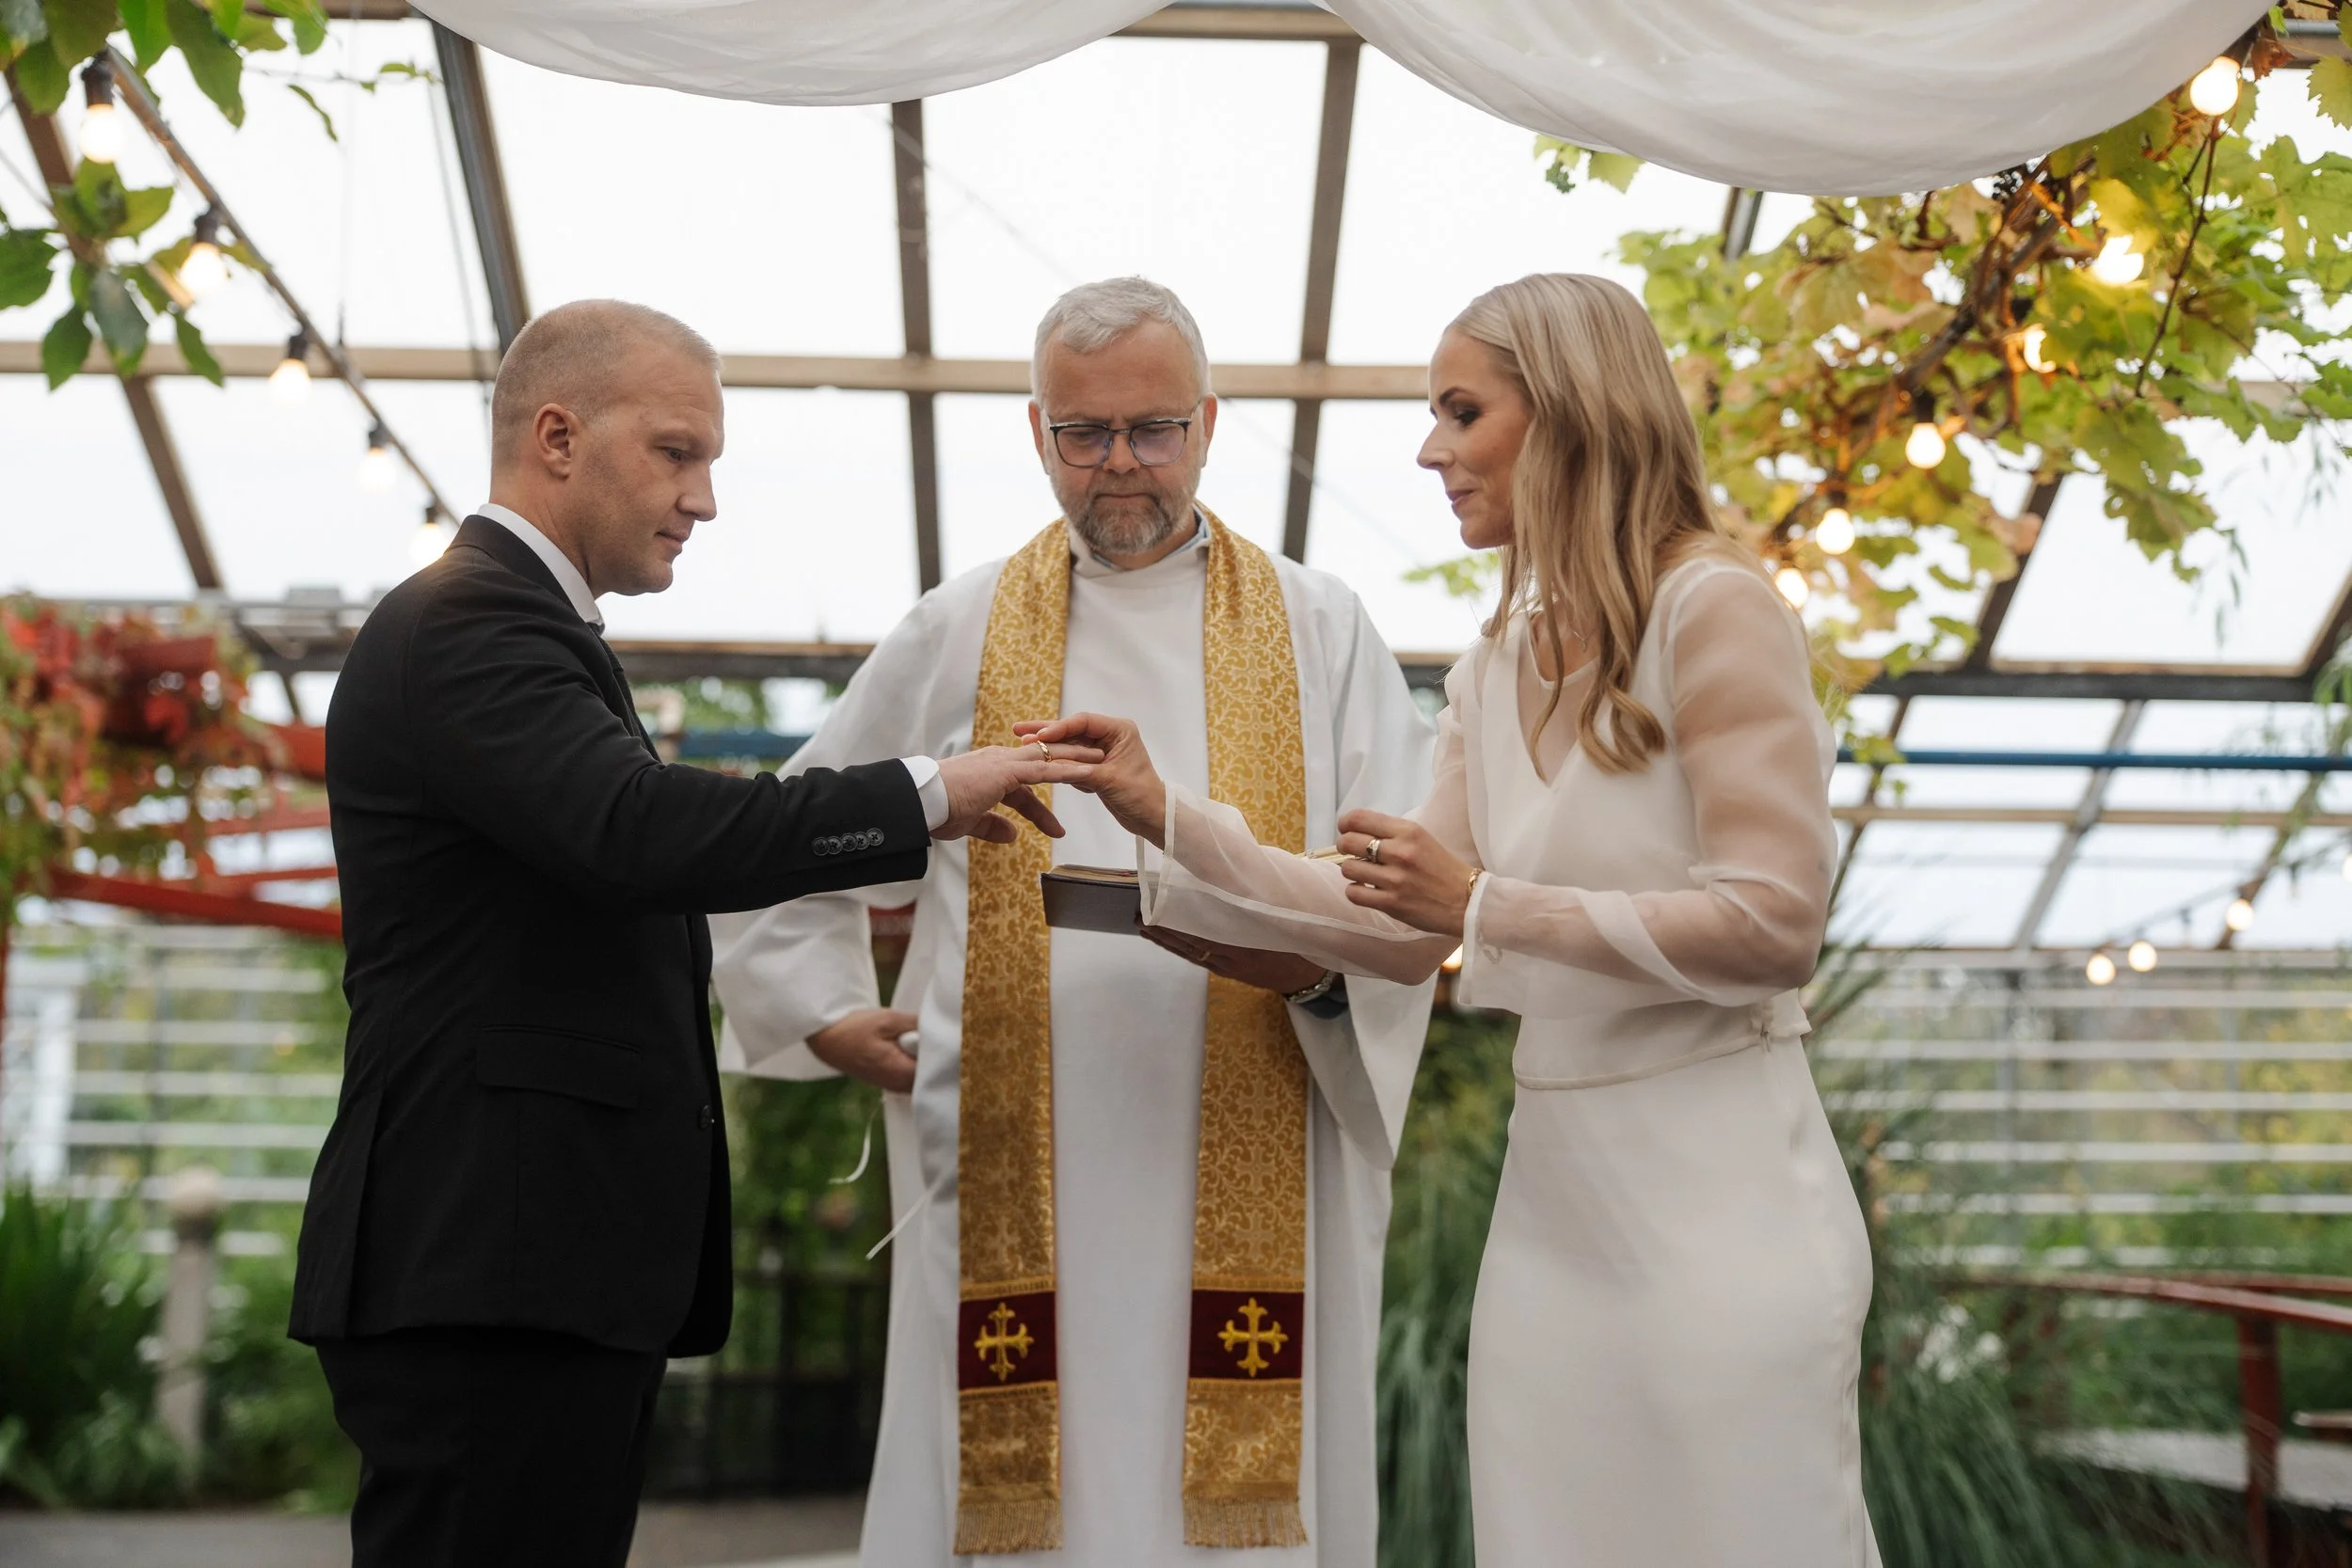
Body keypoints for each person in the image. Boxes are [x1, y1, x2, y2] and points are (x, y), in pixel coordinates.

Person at [1031, 273, 1881, 1567]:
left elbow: (1772, 924)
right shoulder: (1493, 664)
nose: (1430, 447)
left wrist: (1481, 904)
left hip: (1721, 1194)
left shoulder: (1717, 608)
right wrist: (1168, 819)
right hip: (1553, 1211)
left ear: (1573, 414)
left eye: (1462, 410)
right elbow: (1391, 921)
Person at [289, 299, 1097, 1568]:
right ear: (557, 436)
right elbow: (635, 831)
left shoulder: (523, 629)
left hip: (533, 1260)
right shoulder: (469, 622)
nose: (705, 497)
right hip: (491, 1258)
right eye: (677, 451)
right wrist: (929, 791)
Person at [710, 277, 1435, 1566]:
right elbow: (791, 827)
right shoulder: (960, 624)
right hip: (1011, 1146)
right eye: (1082, 433)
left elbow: (1402, 894)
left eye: (1151, 429)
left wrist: (1323, 973)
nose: (1118, 466)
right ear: (1036, 430)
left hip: (1256, 1125)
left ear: (1211, 422)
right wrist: (821, 1010)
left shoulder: (1322, 630)